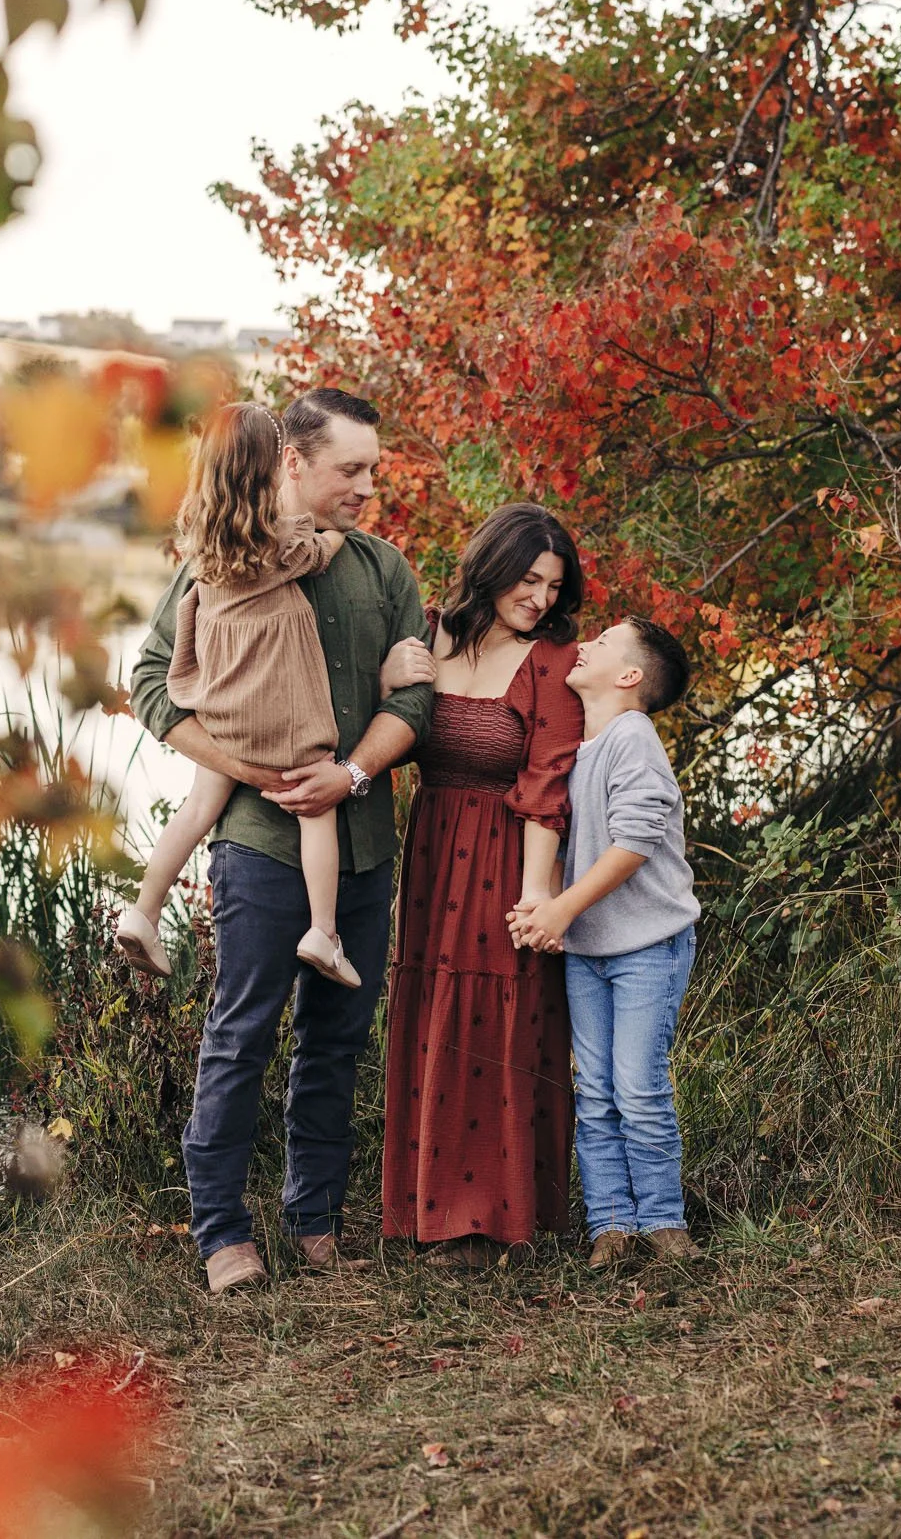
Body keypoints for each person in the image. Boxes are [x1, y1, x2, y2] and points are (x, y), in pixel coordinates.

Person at [128, 387, 434, 1297]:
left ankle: (316, 1220)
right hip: (260, 844)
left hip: (363, 843)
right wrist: (248, 768)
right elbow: (151, 683)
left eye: (374, 469)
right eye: (352, 469)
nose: (369, 487)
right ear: (292, 463)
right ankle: (223, 1233)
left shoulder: (384, 571)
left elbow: (415, 701)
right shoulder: (222, 554)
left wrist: (356, 772)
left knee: (336, 1040)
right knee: (241, 1037)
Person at [375, 503, 586, 1269]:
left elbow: (546, 786)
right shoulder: (427, 633)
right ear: (491, 566)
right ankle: (425, 1209)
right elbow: (380, 731)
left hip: (507, 851)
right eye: (529, 579)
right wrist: (385, 678)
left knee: (499, 1016)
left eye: (554, 586)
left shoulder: (553, 662)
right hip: (432, 850)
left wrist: (535, 899)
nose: (541, 599)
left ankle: (494, 1217)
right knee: (433, 1009)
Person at [116, 404, 362, 990]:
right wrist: (333, 535)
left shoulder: (204, 542)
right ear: (275, 467)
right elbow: (323, 554)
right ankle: (323, 933)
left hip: (224, 709)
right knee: (317, 804)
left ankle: (144, 911)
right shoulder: (283, 540)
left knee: (198, 809)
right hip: (283, 714)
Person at [509, 617, 702, 1268]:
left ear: (629, 676)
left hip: (648, 945)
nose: (584, 643)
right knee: (594, 1091)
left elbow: (633, 845)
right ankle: (611, 1227)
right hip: (591, 951)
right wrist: (546, 904)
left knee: (638, 1088)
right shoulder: (578, 746)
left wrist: (560, 909)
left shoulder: (632, 736)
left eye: (603, 641)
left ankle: (663, 1223)